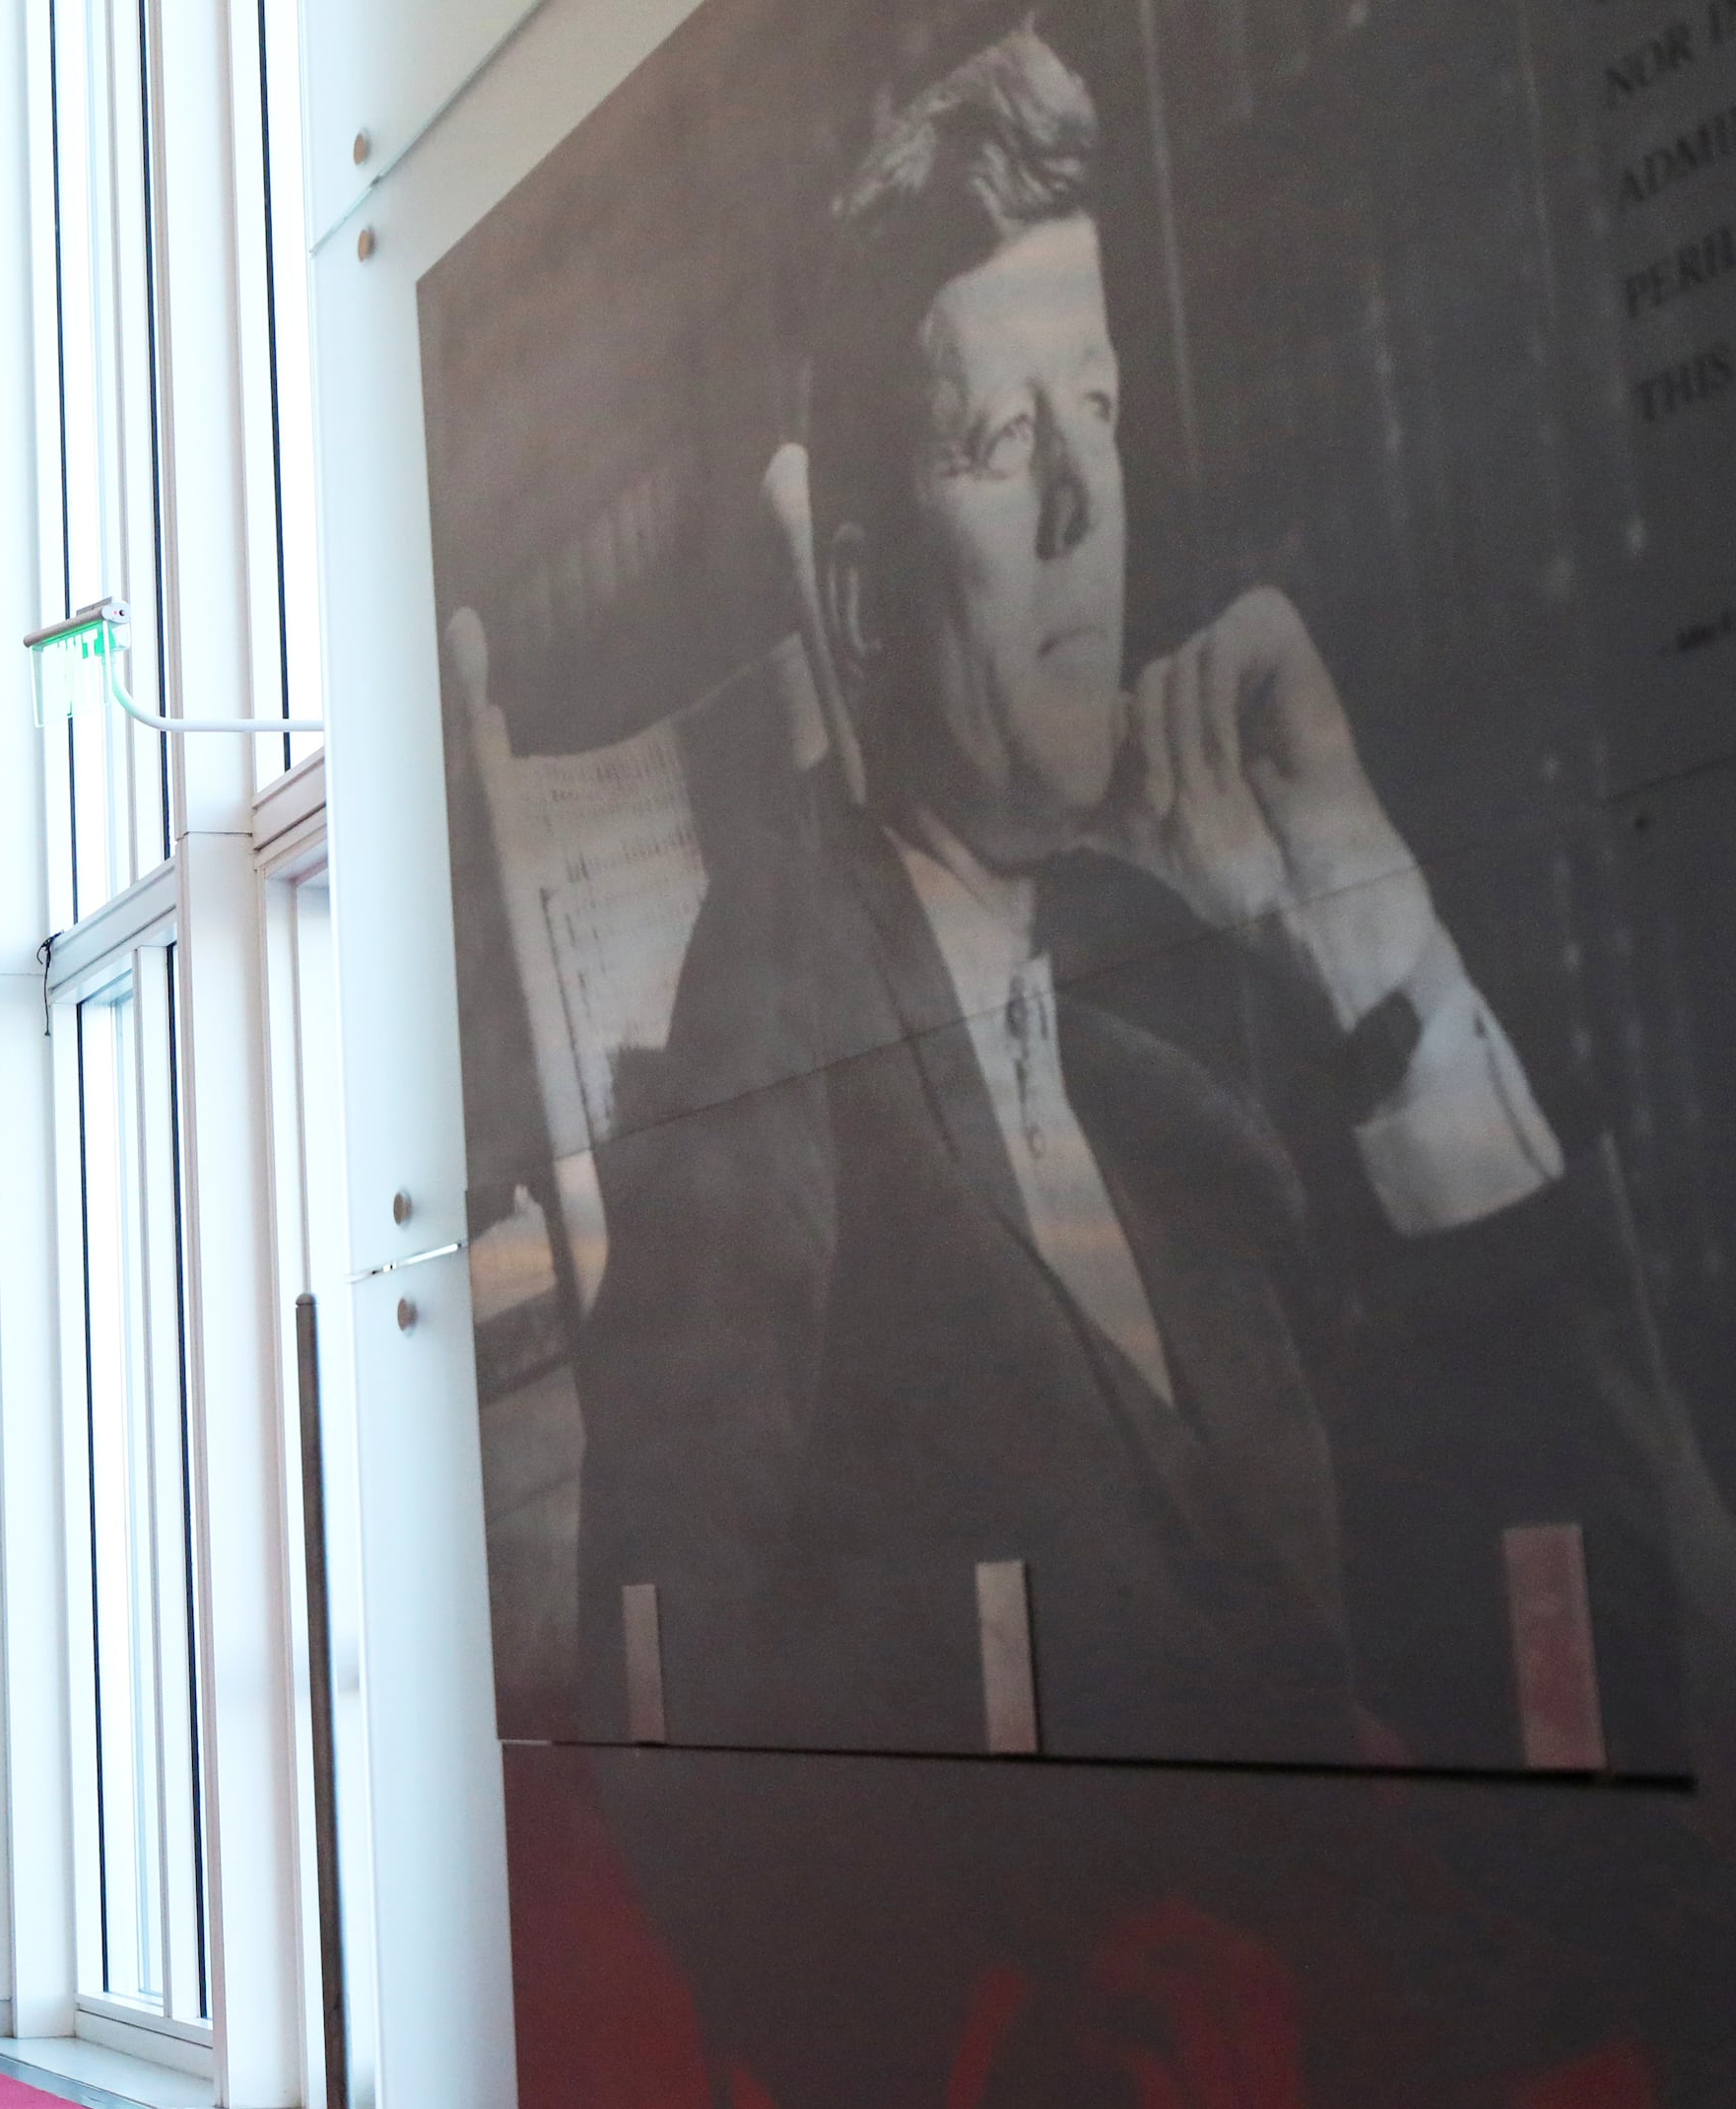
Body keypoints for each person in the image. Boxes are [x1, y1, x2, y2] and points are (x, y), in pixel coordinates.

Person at [572, 24, 1676, 1779]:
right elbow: (667, 1703)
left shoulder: (1176, 1006)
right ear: (860, 606)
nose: (1087, 505)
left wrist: (1377, 945)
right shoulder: (787, 995)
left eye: (1098, 410)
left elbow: (1603, 1630)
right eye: (1008, 438)